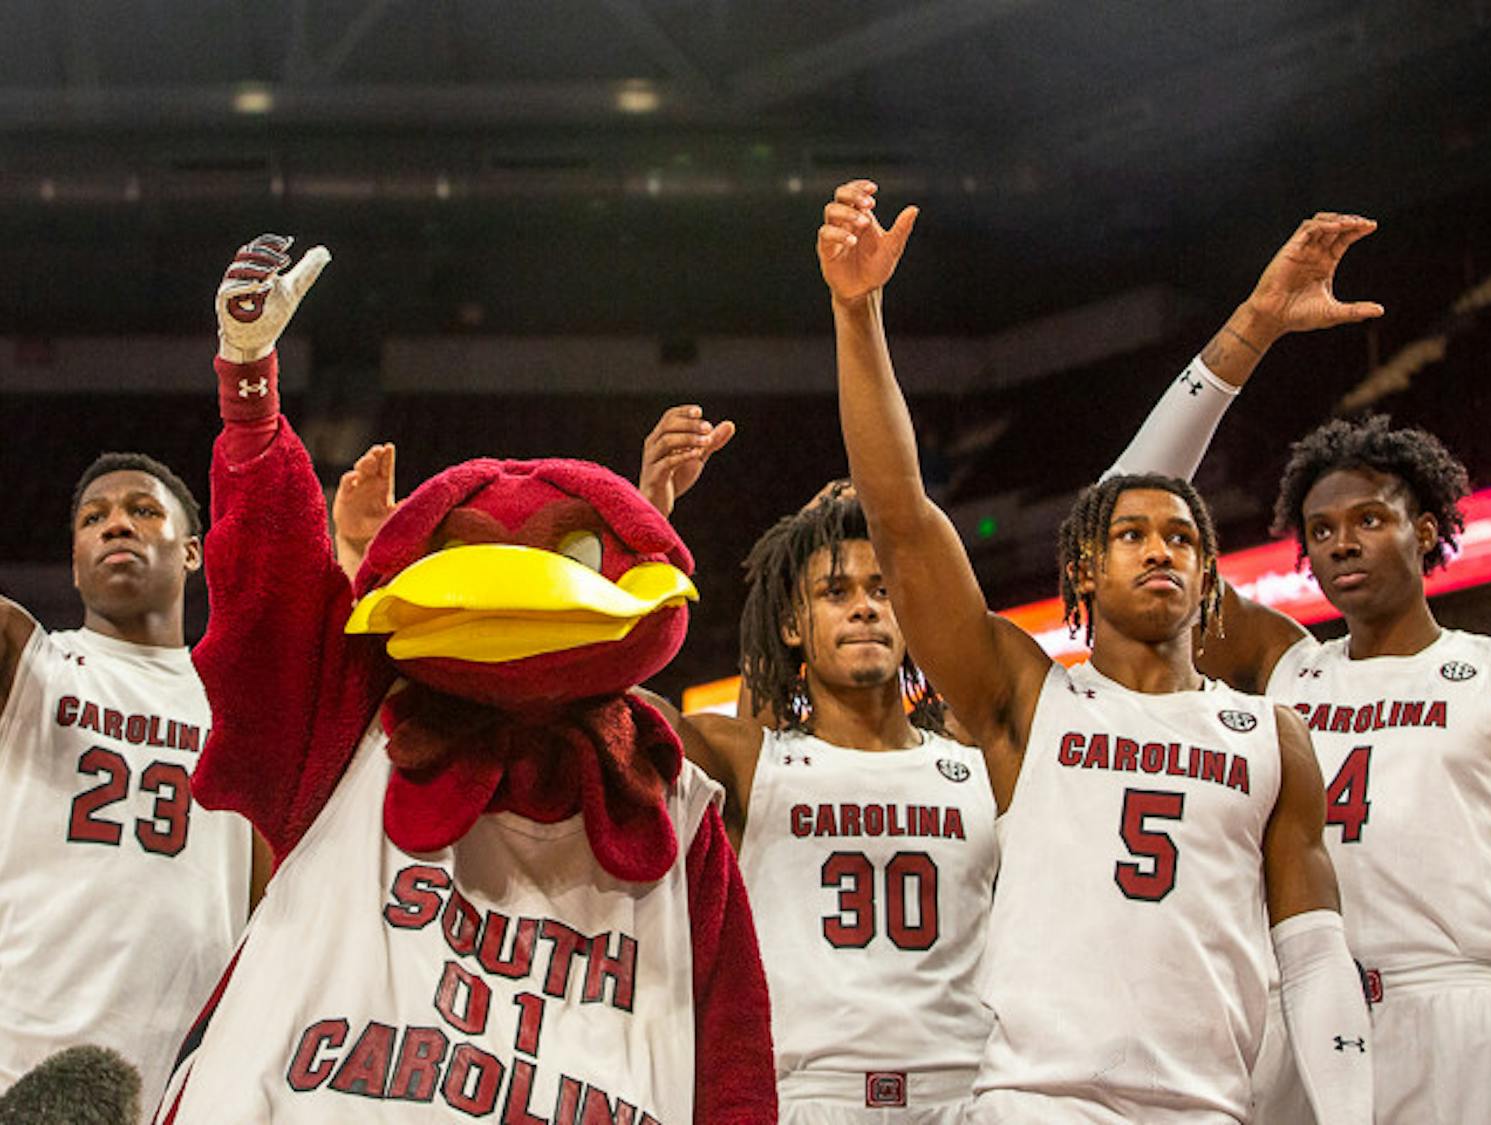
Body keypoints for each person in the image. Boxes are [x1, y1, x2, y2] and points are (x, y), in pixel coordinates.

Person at [156, 235, 776, 1122]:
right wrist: (249, 390)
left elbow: (734, 1059)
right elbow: (273, 597)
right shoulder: (355, 727)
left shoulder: (675, 801)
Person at [819, 178, 1373, 1123]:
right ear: (1084, 572)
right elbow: (902, 519)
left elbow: (1316, 956)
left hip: (1206, 1106)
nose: (1159, 546)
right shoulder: (1030, 698)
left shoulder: (1271, 735)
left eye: (1183, 537)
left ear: (1208, 578)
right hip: (1039, 1100)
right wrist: (857, 311)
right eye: (1130, 533)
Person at [1115, 224, 1491, 1123]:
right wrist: (1246, 334)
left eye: (1370, 518)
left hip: (1463, 1005)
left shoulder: (1487, 671)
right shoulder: (1286, 668)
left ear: (1432, 527)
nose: (1342, 542)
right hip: (1305, 1009)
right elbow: (1122, 509)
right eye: (1321, 530)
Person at [634, 417, 998, 1121]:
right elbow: (610, 697)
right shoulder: (749, 761)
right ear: (792, 625)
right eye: (835, 591)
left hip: (967, 1092)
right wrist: (649, 517)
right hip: (805, 1094)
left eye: (883, 588)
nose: (864, 604)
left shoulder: (982, 765)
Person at [0, 451, 257, 1115]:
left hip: (189, 1075)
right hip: (20, 1060)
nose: (116, 524)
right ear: (75, 558)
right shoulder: (35, 664)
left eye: (142, 510)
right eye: (94, 518)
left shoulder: (239, 708)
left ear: (192, 551)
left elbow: (268, 899)